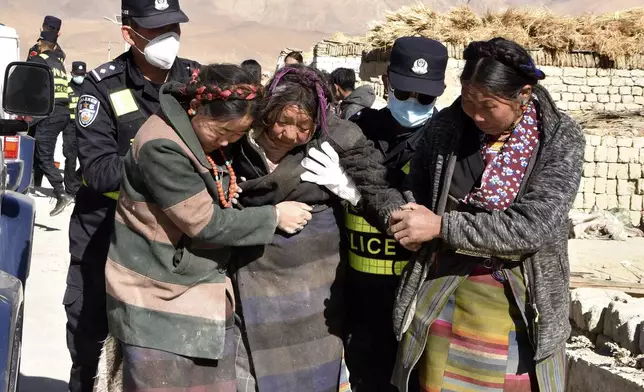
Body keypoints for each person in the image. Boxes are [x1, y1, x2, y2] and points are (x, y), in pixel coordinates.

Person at [99, 63, 312, 391]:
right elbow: (205, 222)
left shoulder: (196, 137)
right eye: (222, 132)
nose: (228, 142)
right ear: (197, 108)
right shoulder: (162, 145)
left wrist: (224, 187)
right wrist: (274, 217)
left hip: (192, 296)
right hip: (156, 300)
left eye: (238, 135)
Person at [387, 37, 583, 392]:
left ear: (523, 95)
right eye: (468, 100)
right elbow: (417, 188)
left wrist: (441, 226)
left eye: (489, 106)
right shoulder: (448, 127)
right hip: (445, 295)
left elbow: (532, 227)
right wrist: (407, 217)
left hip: (518, 304)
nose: (476, 115)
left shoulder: (558, 138)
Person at [231, 63, 407, 392]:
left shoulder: (337, 138)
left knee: (311, 370)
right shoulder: (239, 132)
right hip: (250, 272)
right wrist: (268, 216)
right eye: (282, 122)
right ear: (267, 111)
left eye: (303, 127)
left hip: (313, 280)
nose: (289, 135)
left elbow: (380, 193)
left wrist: (352, 193)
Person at [65, 0, 199, 390]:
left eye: (174, 26)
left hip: (174, 242)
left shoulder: (195, 82)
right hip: (105, 235)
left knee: (163, 357)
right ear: (130, 34)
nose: (169, 38)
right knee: (91, 347)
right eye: (157, 30)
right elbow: (99, 170)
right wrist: (163, 163)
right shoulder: (101, 86)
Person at [341, 36, 448, 392]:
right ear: (387, 82)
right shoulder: (359, 130)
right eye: (403, 92)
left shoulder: (448, 143)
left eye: (425, 97)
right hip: (362, 298)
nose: (412, 103)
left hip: (419, 297)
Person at [27, 30, 74, 215]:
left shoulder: (40, 60)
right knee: (44, 153)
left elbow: (28, 86)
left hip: (51, 112)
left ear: (40, 43)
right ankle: (37, 184)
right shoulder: (58, 63)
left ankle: (61, 193)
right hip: (62, 113)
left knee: (43, 156)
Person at [64, 61, 86, 197]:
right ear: (72, 73)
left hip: (85, 128)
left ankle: (78, 182)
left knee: (86, 158)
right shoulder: (66, 89)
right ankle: (70, 190)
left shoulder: (88, 88)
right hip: (70, 126)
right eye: (77, 74)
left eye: (82, 74)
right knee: (70, 158)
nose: (80, 76)